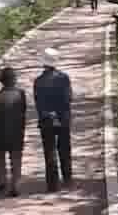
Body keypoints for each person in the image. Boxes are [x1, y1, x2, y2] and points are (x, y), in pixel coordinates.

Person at [33, 48, 73, 192]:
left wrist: (48, 114)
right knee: (64, 149)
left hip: (46, 120)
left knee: (49, 151)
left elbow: (38, 102)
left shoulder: (38, 81)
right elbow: (68, 98)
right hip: (63, 118)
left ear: (43, 63)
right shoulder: (64, 78)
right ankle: (67, 178)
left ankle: (52, 184)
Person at [0, 67, 27, 197]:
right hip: (16, 132)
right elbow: (23, 111)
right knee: (16, 159)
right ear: (13, 80)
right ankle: (15, 185)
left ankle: (2, 181)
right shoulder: (21, 94)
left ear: (2, 82)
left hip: (0, 133)